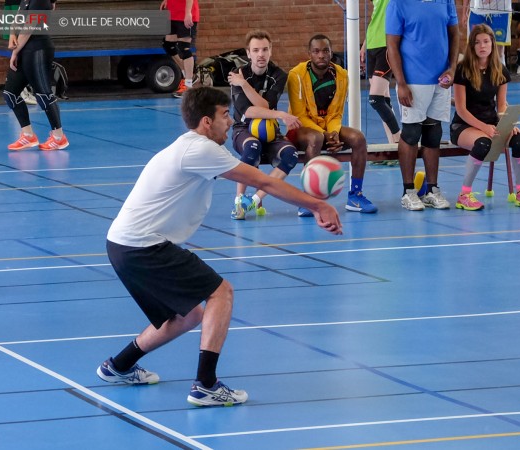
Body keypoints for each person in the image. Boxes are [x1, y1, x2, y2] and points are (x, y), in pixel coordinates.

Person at [96, 87, 341, 407]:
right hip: (143, 245)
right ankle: (206, 385)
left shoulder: (191, 147)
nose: (231, 121)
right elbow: (264, 182)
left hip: (123, 244)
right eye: (226, 115)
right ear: (206, 122)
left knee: (188, 316)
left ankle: (119, 366)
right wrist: (318, 205)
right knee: (220, 292)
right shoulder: (200, 150)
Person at [287, 34, 378, 216]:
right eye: (316, 51)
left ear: (330, 53)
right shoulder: (295, 75)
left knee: (358, 138)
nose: (321, 55)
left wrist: (334, 132)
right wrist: (325, 134)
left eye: (325, 51)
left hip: (327, 129)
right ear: (309, 54)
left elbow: (336, 113)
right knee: (316, 137)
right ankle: (309, 200)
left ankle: (355, 195)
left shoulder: (341, 75)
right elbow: (299, 115)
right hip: (300, 130)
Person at [451, 24, 520, 210]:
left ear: (492, 44)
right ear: (472, 46)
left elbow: (501, 105)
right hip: (463, 125)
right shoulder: (462, 70)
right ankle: (464, 195)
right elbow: (461, 109)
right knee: (483, 144)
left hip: (491, 124)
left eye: (486, 41)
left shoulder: (500, 70)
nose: (482, 46)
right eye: (478, 42)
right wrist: (483, 127)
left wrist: (508, 123)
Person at [386, 0, 459, 211]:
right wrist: (400, 83)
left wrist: (452, 68)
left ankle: (431, 189)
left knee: (433, 133)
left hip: (441, 79)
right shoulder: (398, 4)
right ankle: (408, 191)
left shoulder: (446, 1)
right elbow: (392, 45)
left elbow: (454, 34)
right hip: (413, 80)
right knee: (411, 133)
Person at [228, 30, 302, 220]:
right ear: (248, 53)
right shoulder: (238, 74)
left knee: (291, 154)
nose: (260, 54)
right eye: (256, 50)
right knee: (253, 146)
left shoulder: (278, 75)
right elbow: (248, 111)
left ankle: (254, 198)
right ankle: (239, 201)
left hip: (269, 129)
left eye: (264, 49)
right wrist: (280, 114)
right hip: (243, 129)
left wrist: (245, 85)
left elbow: (264, 106)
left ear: (271, 51)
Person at [4, 0, 69, 151]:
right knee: (10, 93)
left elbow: (29, 27)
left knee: (43, 94)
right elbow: (19, 17)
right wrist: (12, 33)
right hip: (24, 48)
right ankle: (28, 135)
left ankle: (59, 137)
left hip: (38, 49)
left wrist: (15, 52)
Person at [360, 0, 400, 144]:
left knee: (375, 99)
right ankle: (393, 146)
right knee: (384, 100)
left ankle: (399, 140)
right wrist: (365, 44)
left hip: (387, 45)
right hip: (372, 44)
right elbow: (377, 16)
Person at [161, 0, 199, 98]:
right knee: (168, 45)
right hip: (173, 13)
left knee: (184, 48)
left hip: (185, 15)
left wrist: (188, 13)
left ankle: (188, 85)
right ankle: (190, 75)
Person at [462, 0, 512, 65]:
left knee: (498, 48)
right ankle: (475, 73)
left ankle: (500, 73)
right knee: (474, 45)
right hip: (476, 10)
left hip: (500, 10)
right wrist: (464, 11)